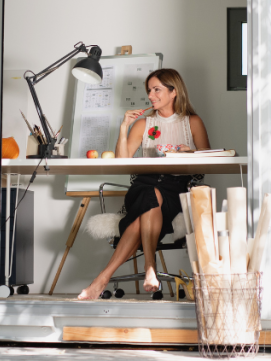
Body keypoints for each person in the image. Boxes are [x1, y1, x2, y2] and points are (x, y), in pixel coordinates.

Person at [77, 68, 210, 300]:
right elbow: (122, 161)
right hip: (143, 184)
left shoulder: (193, 122)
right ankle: (150, 266)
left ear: (173, 92)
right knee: (151, 193)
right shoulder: (143, 123)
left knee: (147, 209)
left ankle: (103, 279)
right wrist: (123, 127)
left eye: (157, 89)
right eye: (149, 90)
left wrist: (191, 153)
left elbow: (207, 164)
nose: (151, 95)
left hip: (175, 190)